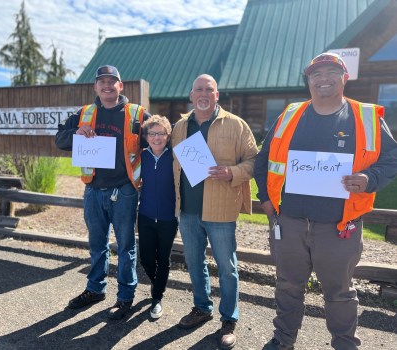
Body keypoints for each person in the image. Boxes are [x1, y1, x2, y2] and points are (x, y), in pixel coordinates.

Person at [254, 53, 397, 350]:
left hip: (339, 227)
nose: (323, 79)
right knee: (288, 287)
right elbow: (263, 160)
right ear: (309, 80)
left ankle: (345, 345)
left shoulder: (366, 117)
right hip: (289, 223)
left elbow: (391, 158)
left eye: (332, 72)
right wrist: (266, 200)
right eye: (316, 74)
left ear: (344, 77)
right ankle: (282, 341)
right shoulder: (290, 115)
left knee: (340, 293)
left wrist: (370, 178)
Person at [55, 65, 150, 320]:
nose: (107, 86)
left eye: (112, 81)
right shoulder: (84, 113)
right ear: (96, 87)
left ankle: (125, 296)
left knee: (126, 246)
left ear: (121, 86)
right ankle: (95, 289)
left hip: (125, 192)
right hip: (94, 191)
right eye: (102, 82)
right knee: (97, 244)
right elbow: (59, 139)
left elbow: (160, 138)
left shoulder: (137, 114)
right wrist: (76, 132)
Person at [171, 74, 258, 349]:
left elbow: (255, 160)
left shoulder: (236, 124)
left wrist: (232, 172)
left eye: (209, 89)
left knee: (227, 267)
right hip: (188, 209)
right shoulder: (180, 126)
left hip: (221, 208)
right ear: (191, 94)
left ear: (217, 95)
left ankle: (229, 319)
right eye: (199, 89)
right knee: (194, 262)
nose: (204, 93)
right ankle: (201, 307)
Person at [138, 115, 178, 319]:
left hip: (168, 218)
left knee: (163, 258)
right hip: (144, 215)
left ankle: (157, 297)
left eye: (161, 133)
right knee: (145, 258)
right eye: (152, 133)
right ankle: (157, 283)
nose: (156, 138)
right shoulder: (140, 156)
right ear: (145, 137)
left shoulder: (176, 157)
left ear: (168, 136)